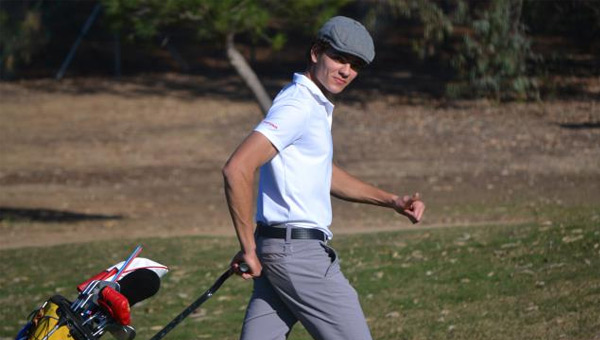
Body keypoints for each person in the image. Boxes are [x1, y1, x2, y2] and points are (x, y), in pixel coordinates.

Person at [223, 16, 425, 340]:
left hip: (276, 249)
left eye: (355, 65)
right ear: (316, 52)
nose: (347, 71)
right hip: (298, 256)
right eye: (340, 58)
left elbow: (322, 174)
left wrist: (392, 201)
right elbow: (238, 168)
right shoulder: (298, 106)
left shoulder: (312, 105)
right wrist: (247, 246)